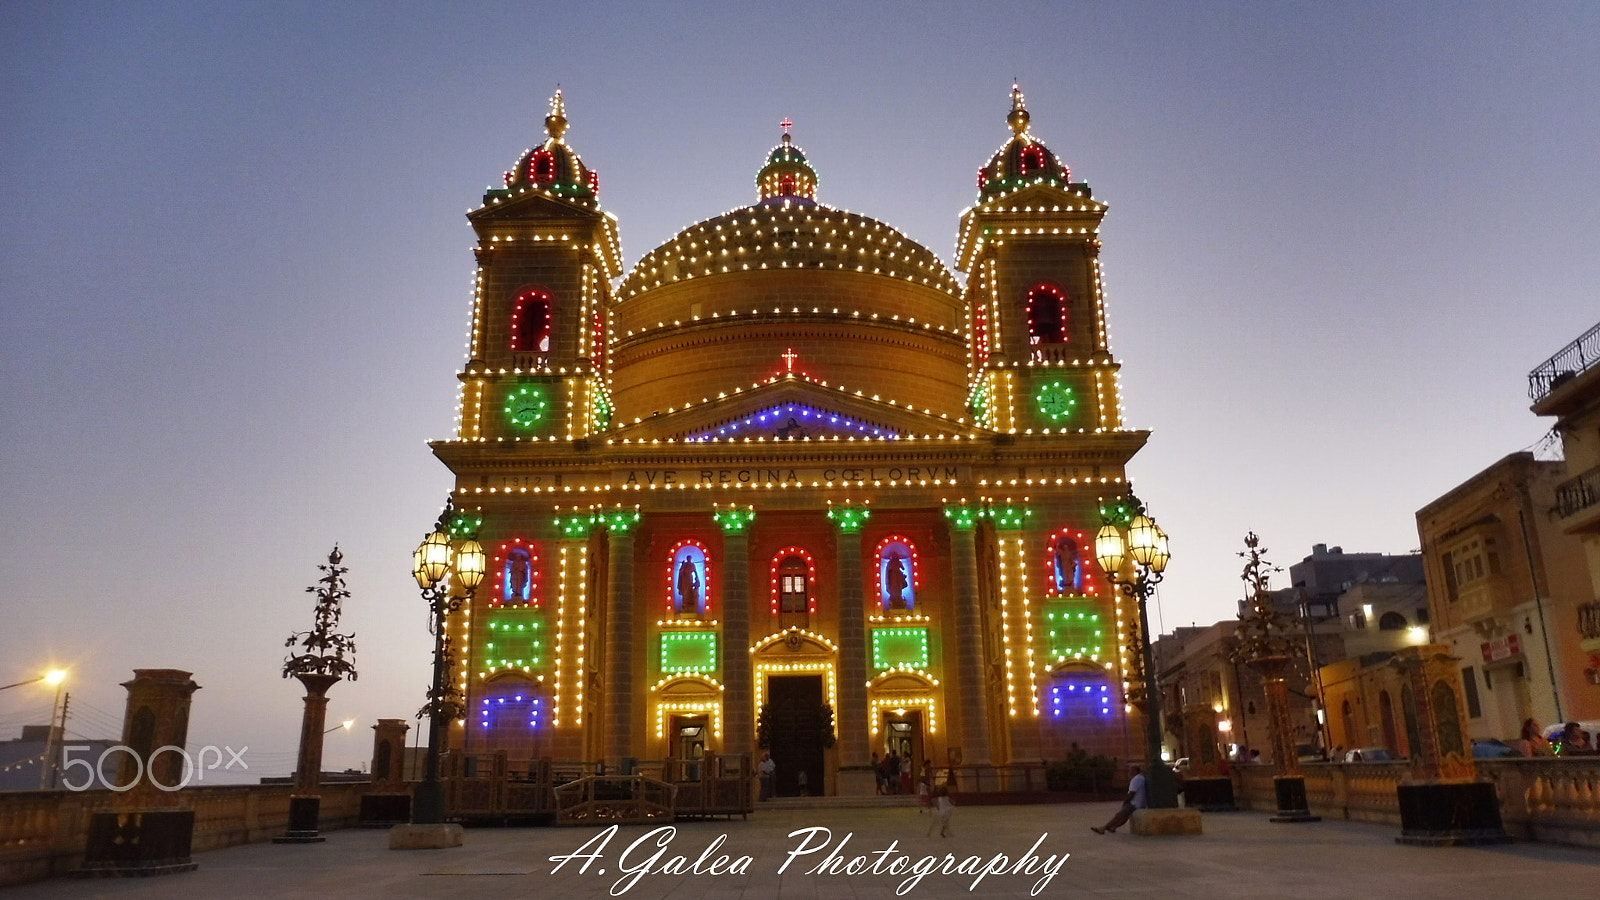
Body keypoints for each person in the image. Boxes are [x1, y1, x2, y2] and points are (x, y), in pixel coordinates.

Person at [1091, 765, 1145, 835]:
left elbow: (1131, 793)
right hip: (1141, 803)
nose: (1129, 772)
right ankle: (1113, 827)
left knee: (1119, 815)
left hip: (1135, 803)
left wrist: (1125, 802)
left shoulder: (1135, 779)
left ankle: (1103, 828)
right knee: (1125, 816)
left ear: (1135, 771)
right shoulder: (1141, 778)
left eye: (1130, 771)